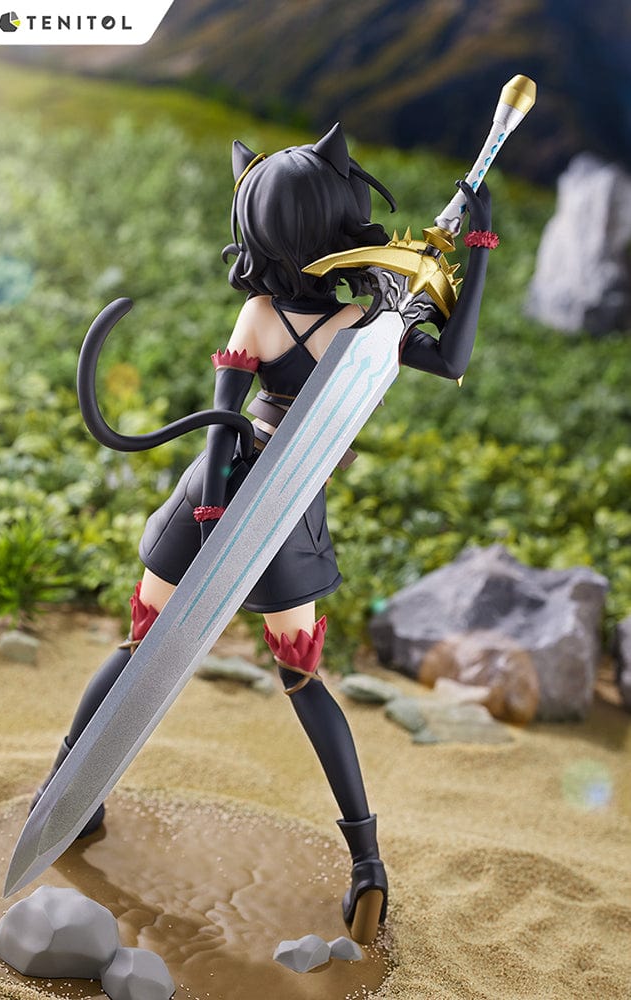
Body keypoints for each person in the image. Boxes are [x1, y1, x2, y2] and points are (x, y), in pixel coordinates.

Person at [32, 123, 494, 944]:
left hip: (241, 503)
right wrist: (481, 247)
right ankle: (363, 860)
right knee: (286, 677)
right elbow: (449, 359)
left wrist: (215, 514)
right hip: (268, 510)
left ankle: (68, 792)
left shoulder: (295, 318)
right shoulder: (349, 324)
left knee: (157, 648)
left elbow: (229, 431)